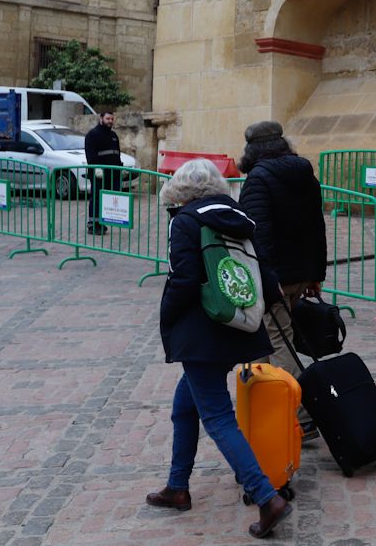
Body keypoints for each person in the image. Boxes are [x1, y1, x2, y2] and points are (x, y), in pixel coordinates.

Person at [147, 158, 291, 539]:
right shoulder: (238, 215)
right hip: (236, 326)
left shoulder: (185, 221)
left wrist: (166, 317)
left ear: (181, 189)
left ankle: (266, 497)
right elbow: (264, 268)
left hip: (201, 332)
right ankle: (178, 487)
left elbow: (184, 278)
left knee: (218, 418)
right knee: (184, 406)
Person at [236, 121, 326, 440]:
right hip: (300, 272)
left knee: (278, 342)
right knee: (261, 341)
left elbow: (258, 236)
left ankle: (308, 414)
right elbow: (318, 227)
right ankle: (257, 406)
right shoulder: (304, 172)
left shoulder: (259, 179)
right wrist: (316, 274)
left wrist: (266, 278)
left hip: (275, 277)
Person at [84, 111, 124, 235]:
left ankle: (102, 222)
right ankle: (93, 224)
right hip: (99, 174)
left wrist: (119, 167)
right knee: (96, 198)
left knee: (108, 199)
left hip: (113, 173)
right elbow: (90, 155)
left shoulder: (113, 135)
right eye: (108, 118)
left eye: (112, 119)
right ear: (101, 118)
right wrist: (96, 169)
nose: (110, 121)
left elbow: (116, 153)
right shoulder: (92, 134)